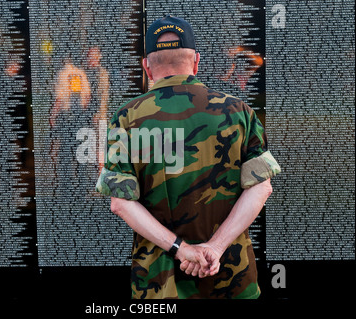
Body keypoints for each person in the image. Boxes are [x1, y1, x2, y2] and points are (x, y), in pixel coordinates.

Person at [95, 15, 281, 299]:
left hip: (160, 283)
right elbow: (261, 187)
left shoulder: (126, 118)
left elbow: (121, 203)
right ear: (196, 61)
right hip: (232, 276)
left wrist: (183, 250)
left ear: (146, 66)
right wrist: (215, 248)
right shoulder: (240, 111)